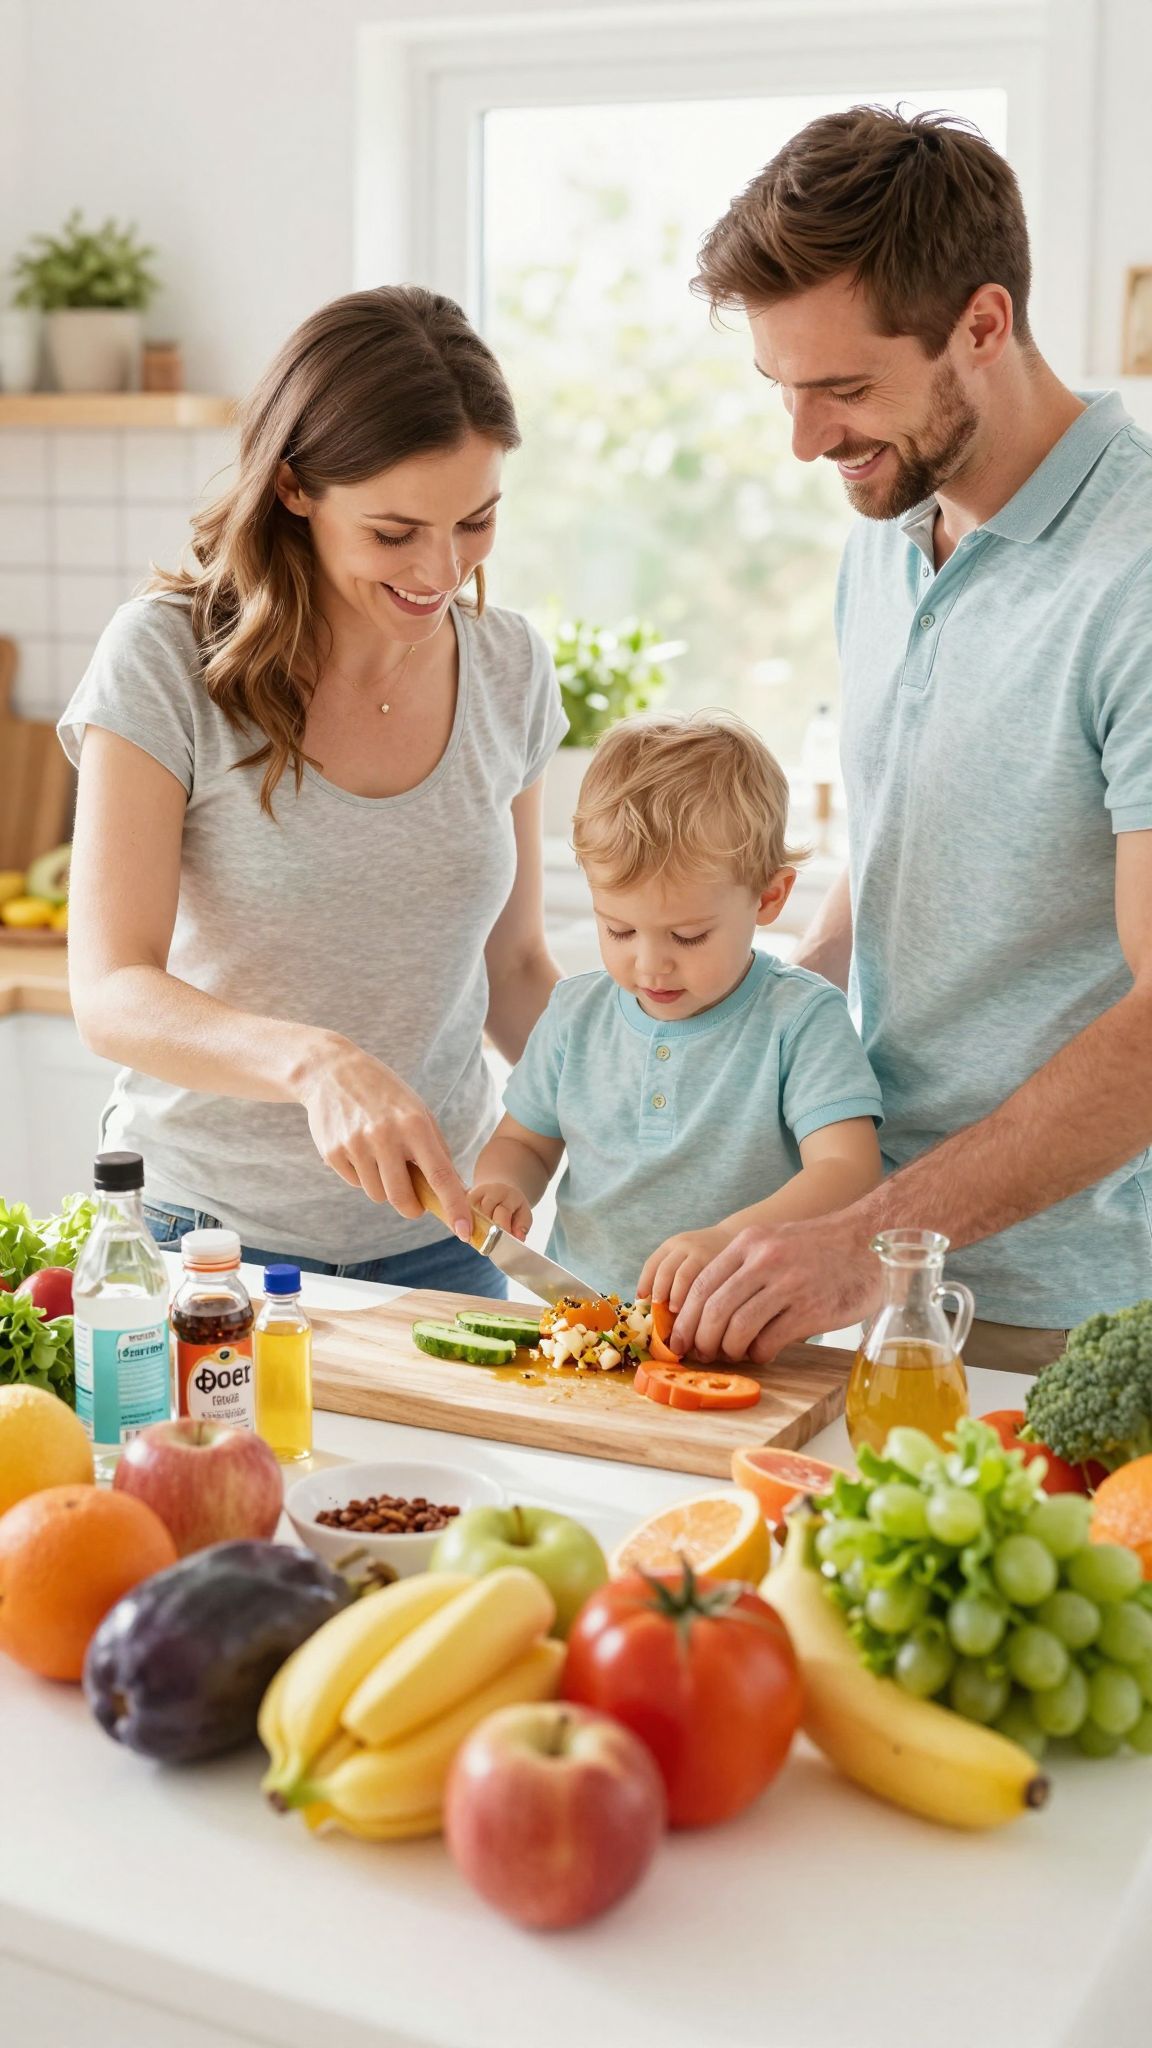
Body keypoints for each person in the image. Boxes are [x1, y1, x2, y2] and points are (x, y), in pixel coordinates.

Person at [670, 104, 1152, 1370]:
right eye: (782, 387)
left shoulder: (1137, 574)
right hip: (877, 1278)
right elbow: (880, 890)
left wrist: (868, 1239)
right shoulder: (886, 538)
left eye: (844, 387)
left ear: (983, 325)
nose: (805, 438)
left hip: (1069, 1311)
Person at [59, 286, 567, 1290]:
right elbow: (111, 988)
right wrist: (314, 1061)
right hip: (203, 1240)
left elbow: (514, 968)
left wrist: (663, 1092)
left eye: (475, 520)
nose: (440, 568)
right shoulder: (166, 656)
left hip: (445, 1240)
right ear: (295, 487)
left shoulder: (510, 667)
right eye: (394, 532)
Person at [468, 711, 882, 1299]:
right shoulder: (575, 1014)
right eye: (618, 930)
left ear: (769, 896)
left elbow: (848, 1172)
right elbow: (523, 1144)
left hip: (744, 1331)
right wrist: (504, 1185)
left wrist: (731, 1237)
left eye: (687, 937)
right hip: (579, 1330)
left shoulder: (801, 1018)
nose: (650, 965)